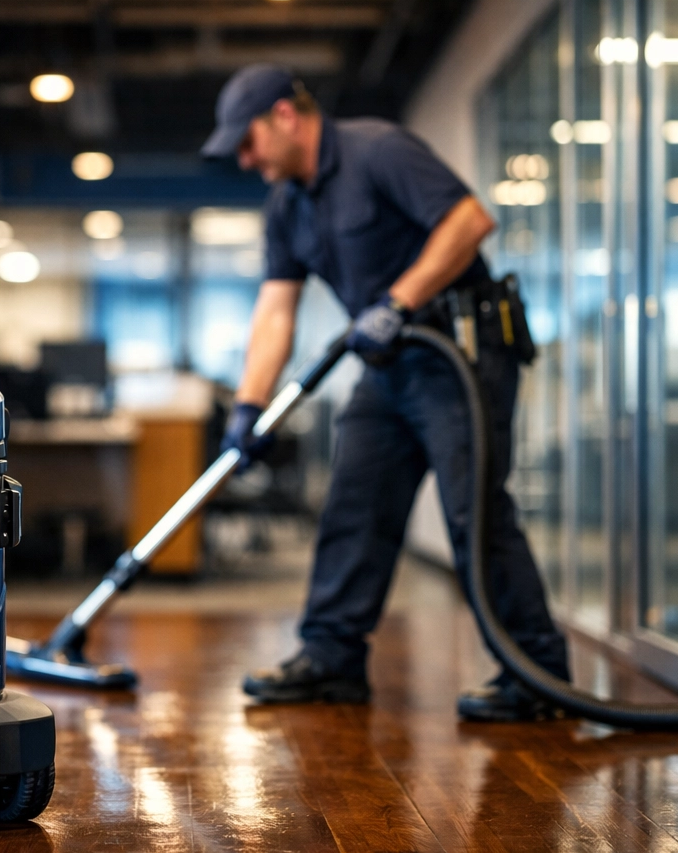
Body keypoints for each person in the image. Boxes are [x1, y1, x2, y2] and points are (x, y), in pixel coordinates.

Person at [200, 64, 571, 722]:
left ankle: (537, 676)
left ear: (285, 115)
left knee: (473, 512)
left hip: (460, 347)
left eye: (248, 139)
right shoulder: (287, 205)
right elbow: (275, 312)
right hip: (389, 360)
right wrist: (249, 407)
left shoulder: (378, 150)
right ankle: (332, 659)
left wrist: (399, 301)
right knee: (355, 502)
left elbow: (468, 221)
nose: (244, 156)